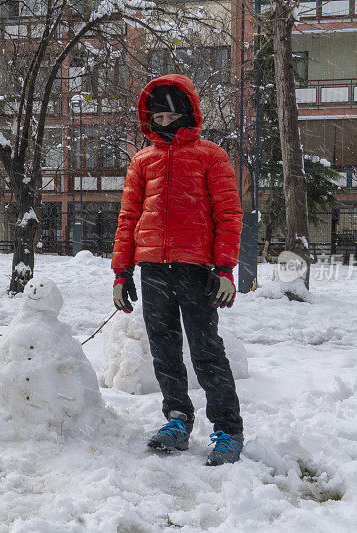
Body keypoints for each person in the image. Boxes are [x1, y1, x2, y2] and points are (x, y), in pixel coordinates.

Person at [111, 74, 245, 466]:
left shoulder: (210, 156)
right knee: (164, 350)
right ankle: (177, 418)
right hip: (153, 267)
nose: (162, 122)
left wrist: (224, 268)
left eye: (169, 114)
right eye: (157, 115)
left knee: (207, 351)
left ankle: (227, 429)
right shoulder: (143, 161)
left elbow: (228, 214)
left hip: (197, 268)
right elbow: (127, 218)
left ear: (186, 112)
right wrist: (122, 273)